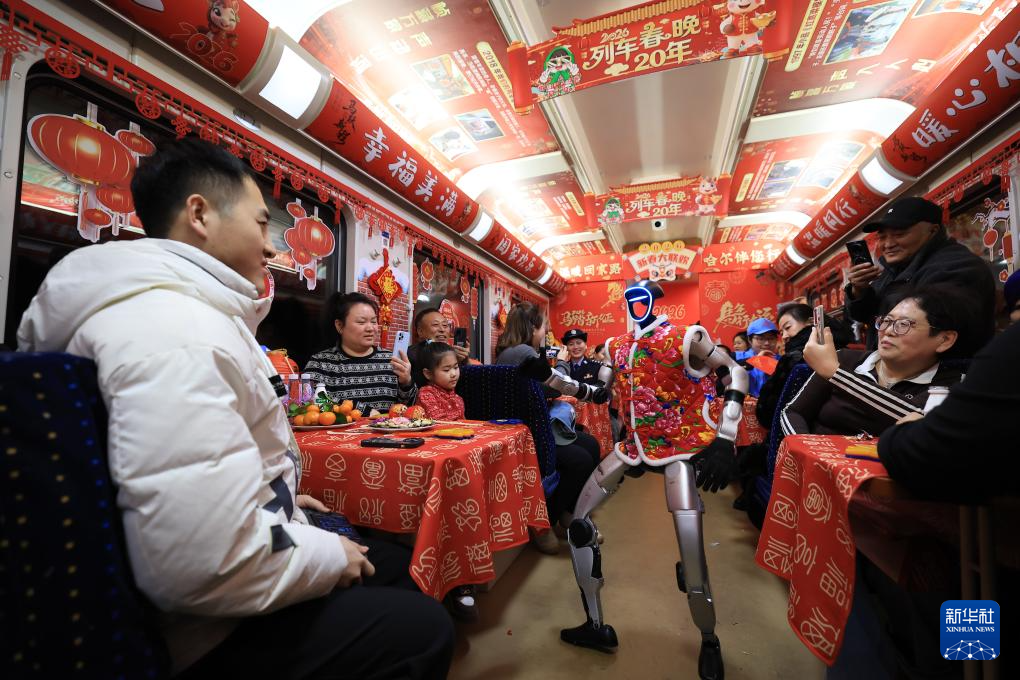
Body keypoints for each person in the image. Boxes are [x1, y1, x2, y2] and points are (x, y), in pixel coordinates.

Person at [16, 138, 453, 678]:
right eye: (261, 224)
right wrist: (324, 555)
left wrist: (284, 498)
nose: (270, 247)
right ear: (199, 214)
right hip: (206, 627)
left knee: (393, 564)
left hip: (240, 551)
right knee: (423, 627)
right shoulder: (176, 332)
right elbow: (201, 559)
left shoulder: (189, 313)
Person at [782, 284, 972, 437]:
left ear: (944, 340)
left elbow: (921, 420)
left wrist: (836, 374)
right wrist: (805, 451)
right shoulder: (847, 359)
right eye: (886, 321)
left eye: (903, 324)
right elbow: (792, 412)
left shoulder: (953, 386)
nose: (887, 331)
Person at [495, 302, 602, 555]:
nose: (545, 332)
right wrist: (563, 363)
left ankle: (567, 512)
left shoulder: (513, 351)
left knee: (591, 444)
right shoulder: (524, 353)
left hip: (534, 423)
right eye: (544, 327)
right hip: (529, 431)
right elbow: (555, 387)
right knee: (581, 460)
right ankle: (546, 521)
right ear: (533, 328)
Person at [844, 196, 995, 351]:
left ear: (933, 230)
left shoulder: (958, 267)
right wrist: (859, 290)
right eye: (882, 237)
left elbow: (925, 327)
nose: (888, 244)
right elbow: (866, 316)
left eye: (899, 234)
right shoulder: (893, 269)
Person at [305, 292, 416, 415]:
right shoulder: (321, 362)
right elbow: (310, 400)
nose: (370, 328)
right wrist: (362, 410)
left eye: (373, 322)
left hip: (389, 427)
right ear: (340, 326)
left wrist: (406, 383)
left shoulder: (391, 360)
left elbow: (410, 409)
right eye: (361, 322)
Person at [407, 307, 471, 387]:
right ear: (420, 331)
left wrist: (463, 360)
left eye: (445, 325)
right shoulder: (410, 355)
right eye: (435, 325)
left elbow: (466, 384)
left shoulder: (452, 353)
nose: (442, 330)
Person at [415, 341, 465, 421]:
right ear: (428, 374)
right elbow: (438, 422)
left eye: (456, 367)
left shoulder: (457, 398)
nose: (453, 374)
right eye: (446, 370)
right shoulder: (426, 394)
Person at [738, 318, 780, 397]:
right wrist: (756, 360)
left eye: (771, 338)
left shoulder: (782, 361)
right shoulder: (738, 357)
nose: (767, 343)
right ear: (750, 340)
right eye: (760, 339)